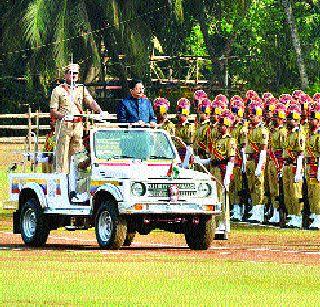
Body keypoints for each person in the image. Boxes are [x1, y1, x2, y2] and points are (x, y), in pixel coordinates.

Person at [50, 63, 102, 173]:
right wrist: (62, 116)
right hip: (64, 125)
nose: (73, 75)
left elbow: (90, 101)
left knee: (78, 153)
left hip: (78, 125)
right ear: (65, 75)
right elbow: (53, 111)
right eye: (70, 73)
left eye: (76, 73)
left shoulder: (81, 89)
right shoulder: (58, 90)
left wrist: (99, 110)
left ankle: (77, 178)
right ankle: (62, 180)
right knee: (62, 154)